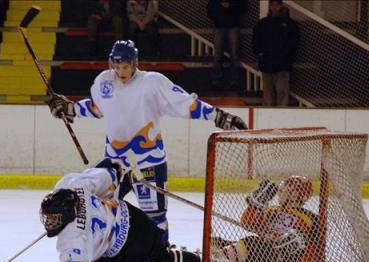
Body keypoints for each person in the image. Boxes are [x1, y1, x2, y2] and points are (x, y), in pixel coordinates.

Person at [45, 40, 248, 245]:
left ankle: (161, 257)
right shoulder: (104, 81)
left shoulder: (153, 83)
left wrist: (219, 116)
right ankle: (103, 252)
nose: (120, 71)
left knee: (156, 217)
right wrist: (70, 109)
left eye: (124, 66)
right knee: (99, 206)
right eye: (116, 66)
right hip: (116, 162)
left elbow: (186, 103)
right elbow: (97, 107)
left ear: (134, 63)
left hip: (149, 160)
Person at [36, 162, 201, 262]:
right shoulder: (71, 185)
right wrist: (112, 169)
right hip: (136, 218)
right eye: (48, 218)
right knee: (157, 250)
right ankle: (174, 256)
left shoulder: (73, 238)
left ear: (68, 214)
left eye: (54, 219)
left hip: (131, 245)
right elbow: (108, 177)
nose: (49, 223)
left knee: (161, 259)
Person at [214, 176, 318, 262]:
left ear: (296, 194)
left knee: (251, 243)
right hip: (262, 259)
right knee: (217, 242)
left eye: (286, 187)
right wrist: (255, 206)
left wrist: (295, 248)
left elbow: (315, 256)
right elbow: (247, 223)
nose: (280, 190)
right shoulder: (273, 210)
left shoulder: (310, 219)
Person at [252, 0, 299, 106]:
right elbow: (256, 40)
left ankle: (281, 116)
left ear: (281, 6)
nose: (274, 8)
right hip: (267, 63)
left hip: (282, 65)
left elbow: (293, 43)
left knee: (282, 94)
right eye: (272, 5)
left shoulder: (290, 24)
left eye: (276, 5)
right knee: (268, 94)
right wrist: (259, 53)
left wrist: (285, 56)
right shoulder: (263, 23)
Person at [207, 0, 247, 90]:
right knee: (218, 54)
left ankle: (234, 80)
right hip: (221, 25)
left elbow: (243, 7)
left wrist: (230, 6)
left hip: (232, 24)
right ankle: (218, 79)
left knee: (234, 54)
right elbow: (210, 8)